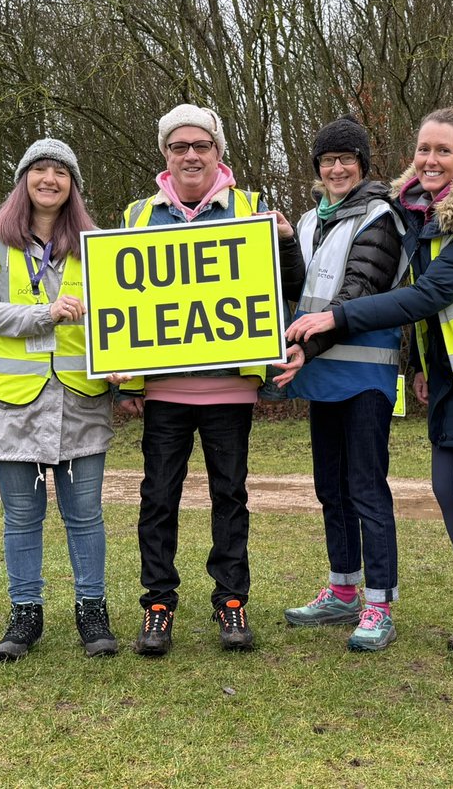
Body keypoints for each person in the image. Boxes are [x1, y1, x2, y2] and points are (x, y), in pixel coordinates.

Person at [286, 104, 453, 662]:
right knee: (448, 494)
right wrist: (421, 366)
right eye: (423, 149)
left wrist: (337, 318)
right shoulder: (427, 218)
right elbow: (432, 315)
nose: (430, 159)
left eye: (442, 150)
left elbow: (429, 296)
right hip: (452, 379)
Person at [119, 103, 304, 655]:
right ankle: (157, 605)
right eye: (180, 146)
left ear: (219, 152)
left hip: (230, 390)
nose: (191, 154)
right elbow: (121, 309)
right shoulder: (136, 216)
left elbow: (288, 287)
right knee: (158, 499)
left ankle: (231, 601)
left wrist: (289, 240)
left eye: (202, 145)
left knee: (230, 496)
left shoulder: (250, 208)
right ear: (165, 155)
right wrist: (128, 384)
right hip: (164, 393)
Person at [0, 138, 121, 661]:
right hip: (11, 403)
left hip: (79, 401)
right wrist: (42, 315)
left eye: (61, 172)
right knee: (21, 517)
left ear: (73, 185)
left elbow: (119, 316)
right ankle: (25, 615)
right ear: (23, 179)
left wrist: (125, 364)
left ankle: (91, 612)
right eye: (40, 170)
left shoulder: (97, 244)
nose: (49, 179)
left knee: (85, 515)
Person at [272, 115, 408, 652]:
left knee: (366, 490)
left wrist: (306, 347)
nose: (336, 168)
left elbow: (356, 292)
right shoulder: (307, 220)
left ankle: (379, 603)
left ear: (363, 165)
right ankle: (343, 589)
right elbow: (295, 288)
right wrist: (284, 242)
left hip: (365, 372)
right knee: (330, 487)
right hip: (320, 370)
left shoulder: (381, 217)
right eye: (327, 159)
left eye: (346, 158)